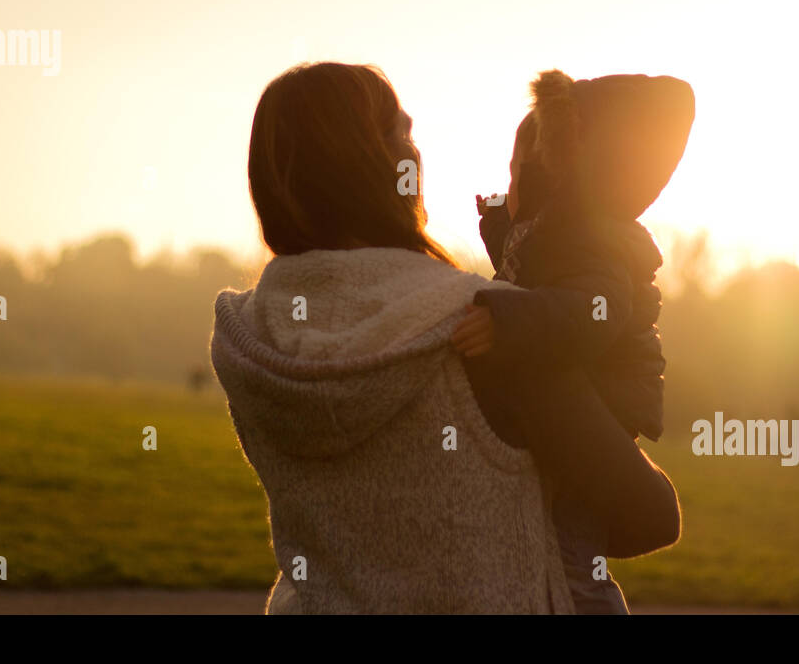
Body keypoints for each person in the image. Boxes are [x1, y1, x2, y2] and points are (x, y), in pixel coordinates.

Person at [209, 61, 681, 613]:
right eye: (403, 132)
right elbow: (646, 515)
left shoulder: (249, 338)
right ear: (391, 166)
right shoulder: (485, 324)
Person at [451, 68, 695, 613]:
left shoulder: (591, 238)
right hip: (576, 414)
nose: (509, 184)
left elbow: (591, 313)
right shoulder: (559, 231)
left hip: (596, 416)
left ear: (550, 176)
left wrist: (505, 322)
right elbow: (541, 282)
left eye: (519, 173)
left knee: (573, 561)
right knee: (546, 551)